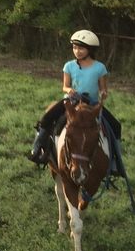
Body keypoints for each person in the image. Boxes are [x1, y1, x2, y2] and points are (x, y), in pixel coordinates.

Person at [26, 30, 122, 167]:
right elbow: (65, 86)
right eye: (75, 48)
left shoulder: (100, 68)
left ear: (90, 49)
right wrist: (69, 90)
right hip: (71, 101)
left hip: (92, 103)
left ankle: (115, 161)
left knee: (116, 126)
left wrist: (103, 94)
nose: (77, 51)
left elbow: (103, 88)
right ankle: (37, 149)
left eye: (81, 48)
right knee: (46, 118)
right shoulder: (69, 66)